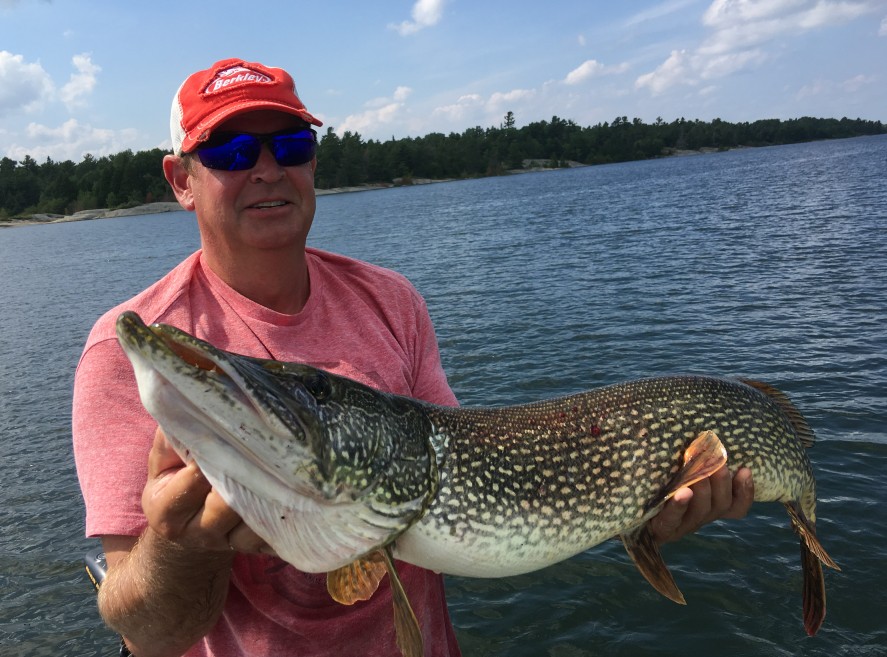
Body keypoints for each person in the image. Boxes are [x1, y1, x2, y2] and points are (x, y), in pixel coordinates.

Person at [72, 58, 754, 657]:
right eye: (230, 151)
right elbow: (147, 634)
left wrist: (643, 500)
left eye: (291, 145)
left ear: (312, 162)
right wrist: (181, 546)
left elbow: (460, 463)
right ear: (181, 179)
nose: (268, 169)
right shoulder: (122, 355)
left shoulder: (389, 300)